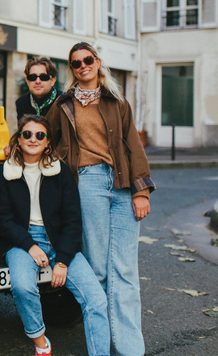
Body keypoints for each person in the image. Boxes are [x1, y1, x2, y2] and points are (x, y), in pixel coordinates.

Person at [47, 42, 155, 356]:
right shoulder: (63, 104)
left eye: (88, 60)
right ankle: (101, 345)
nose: (83, 66)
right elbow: (46, 137)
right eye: (76, 62)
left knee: (125, 270)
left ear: (97, 62)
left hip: (121, 184)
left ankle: (130, 349)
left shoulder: (116, 101)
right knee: (98, 270)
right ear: (72, 69)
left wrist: (141, 190)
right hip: (88, 183)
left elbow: (133, 144)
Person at [0, 114, 109, 356]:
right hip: (21, 243)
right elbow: (3, 220)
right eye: (27, 134)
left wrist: (63, 261)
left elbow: (72, 219)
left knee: (96, 300)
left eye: (39, 135)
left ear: (48, 143)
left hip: (59, 241)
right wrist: (30, 246)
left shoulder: (61, 173)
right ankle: (41, 344)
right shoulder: (5, 173)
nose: (32, 139)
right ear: (18, 140)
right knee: (24, 287)